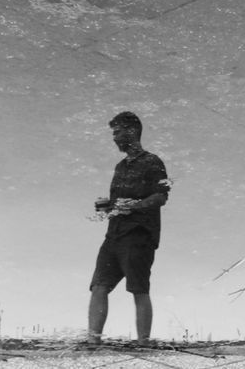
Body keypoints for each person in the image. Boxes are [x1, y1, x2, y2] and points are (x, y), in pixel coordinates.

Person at [87, 111, 170, 346]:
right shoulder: (120, 166)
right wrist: (108, 206)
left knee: (139, 288)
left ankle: (143, 342)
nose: (114, 138)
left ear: (132, 132)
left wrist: (134, 206)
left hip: (139, 235)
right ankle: (93, 341)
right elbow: (121, 203)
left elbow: (161, 197)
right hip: (114, 235)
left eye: (118, 132)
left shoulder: (152, 162)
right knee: (99, 285)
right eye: (113, 133)